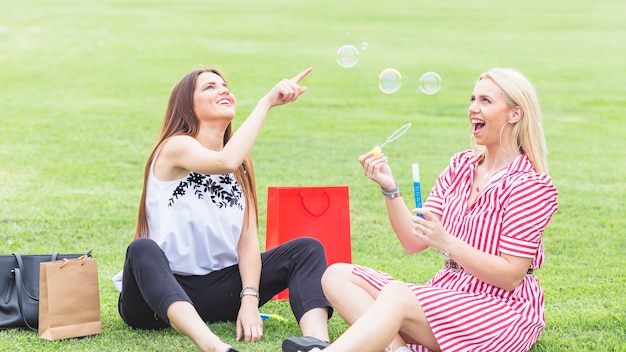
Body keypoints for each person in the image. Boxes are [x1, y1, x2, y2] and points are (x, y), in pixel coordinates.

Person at [284, 68, 558, 352]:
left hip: (500, 311)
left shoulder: (530, 184)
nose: (473, 108)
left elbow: (511, 275)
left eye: (486, 101)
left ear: (515, 113)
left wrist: (449, 243)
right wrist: (390, 188)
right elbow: (414, 241)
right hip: (448, 294)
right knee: (337, 275)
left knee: (398, 295)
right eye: (473, 99)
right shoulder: (461, 166)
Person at [113, 66, 333, 352]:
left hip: (217, 292)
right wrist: (266, 103)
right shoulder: (175, 147)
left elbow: (246, 241)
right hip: (155, 299)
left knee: (307, 249)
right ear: (187, 105)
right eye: (209, 87)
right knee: (142, 249)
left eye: (225, 85)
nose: (223, 90)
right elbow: (225, 161)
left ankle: (317, 344)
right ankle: (214, 346)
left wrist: (249, 302)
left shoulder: (241, 163)